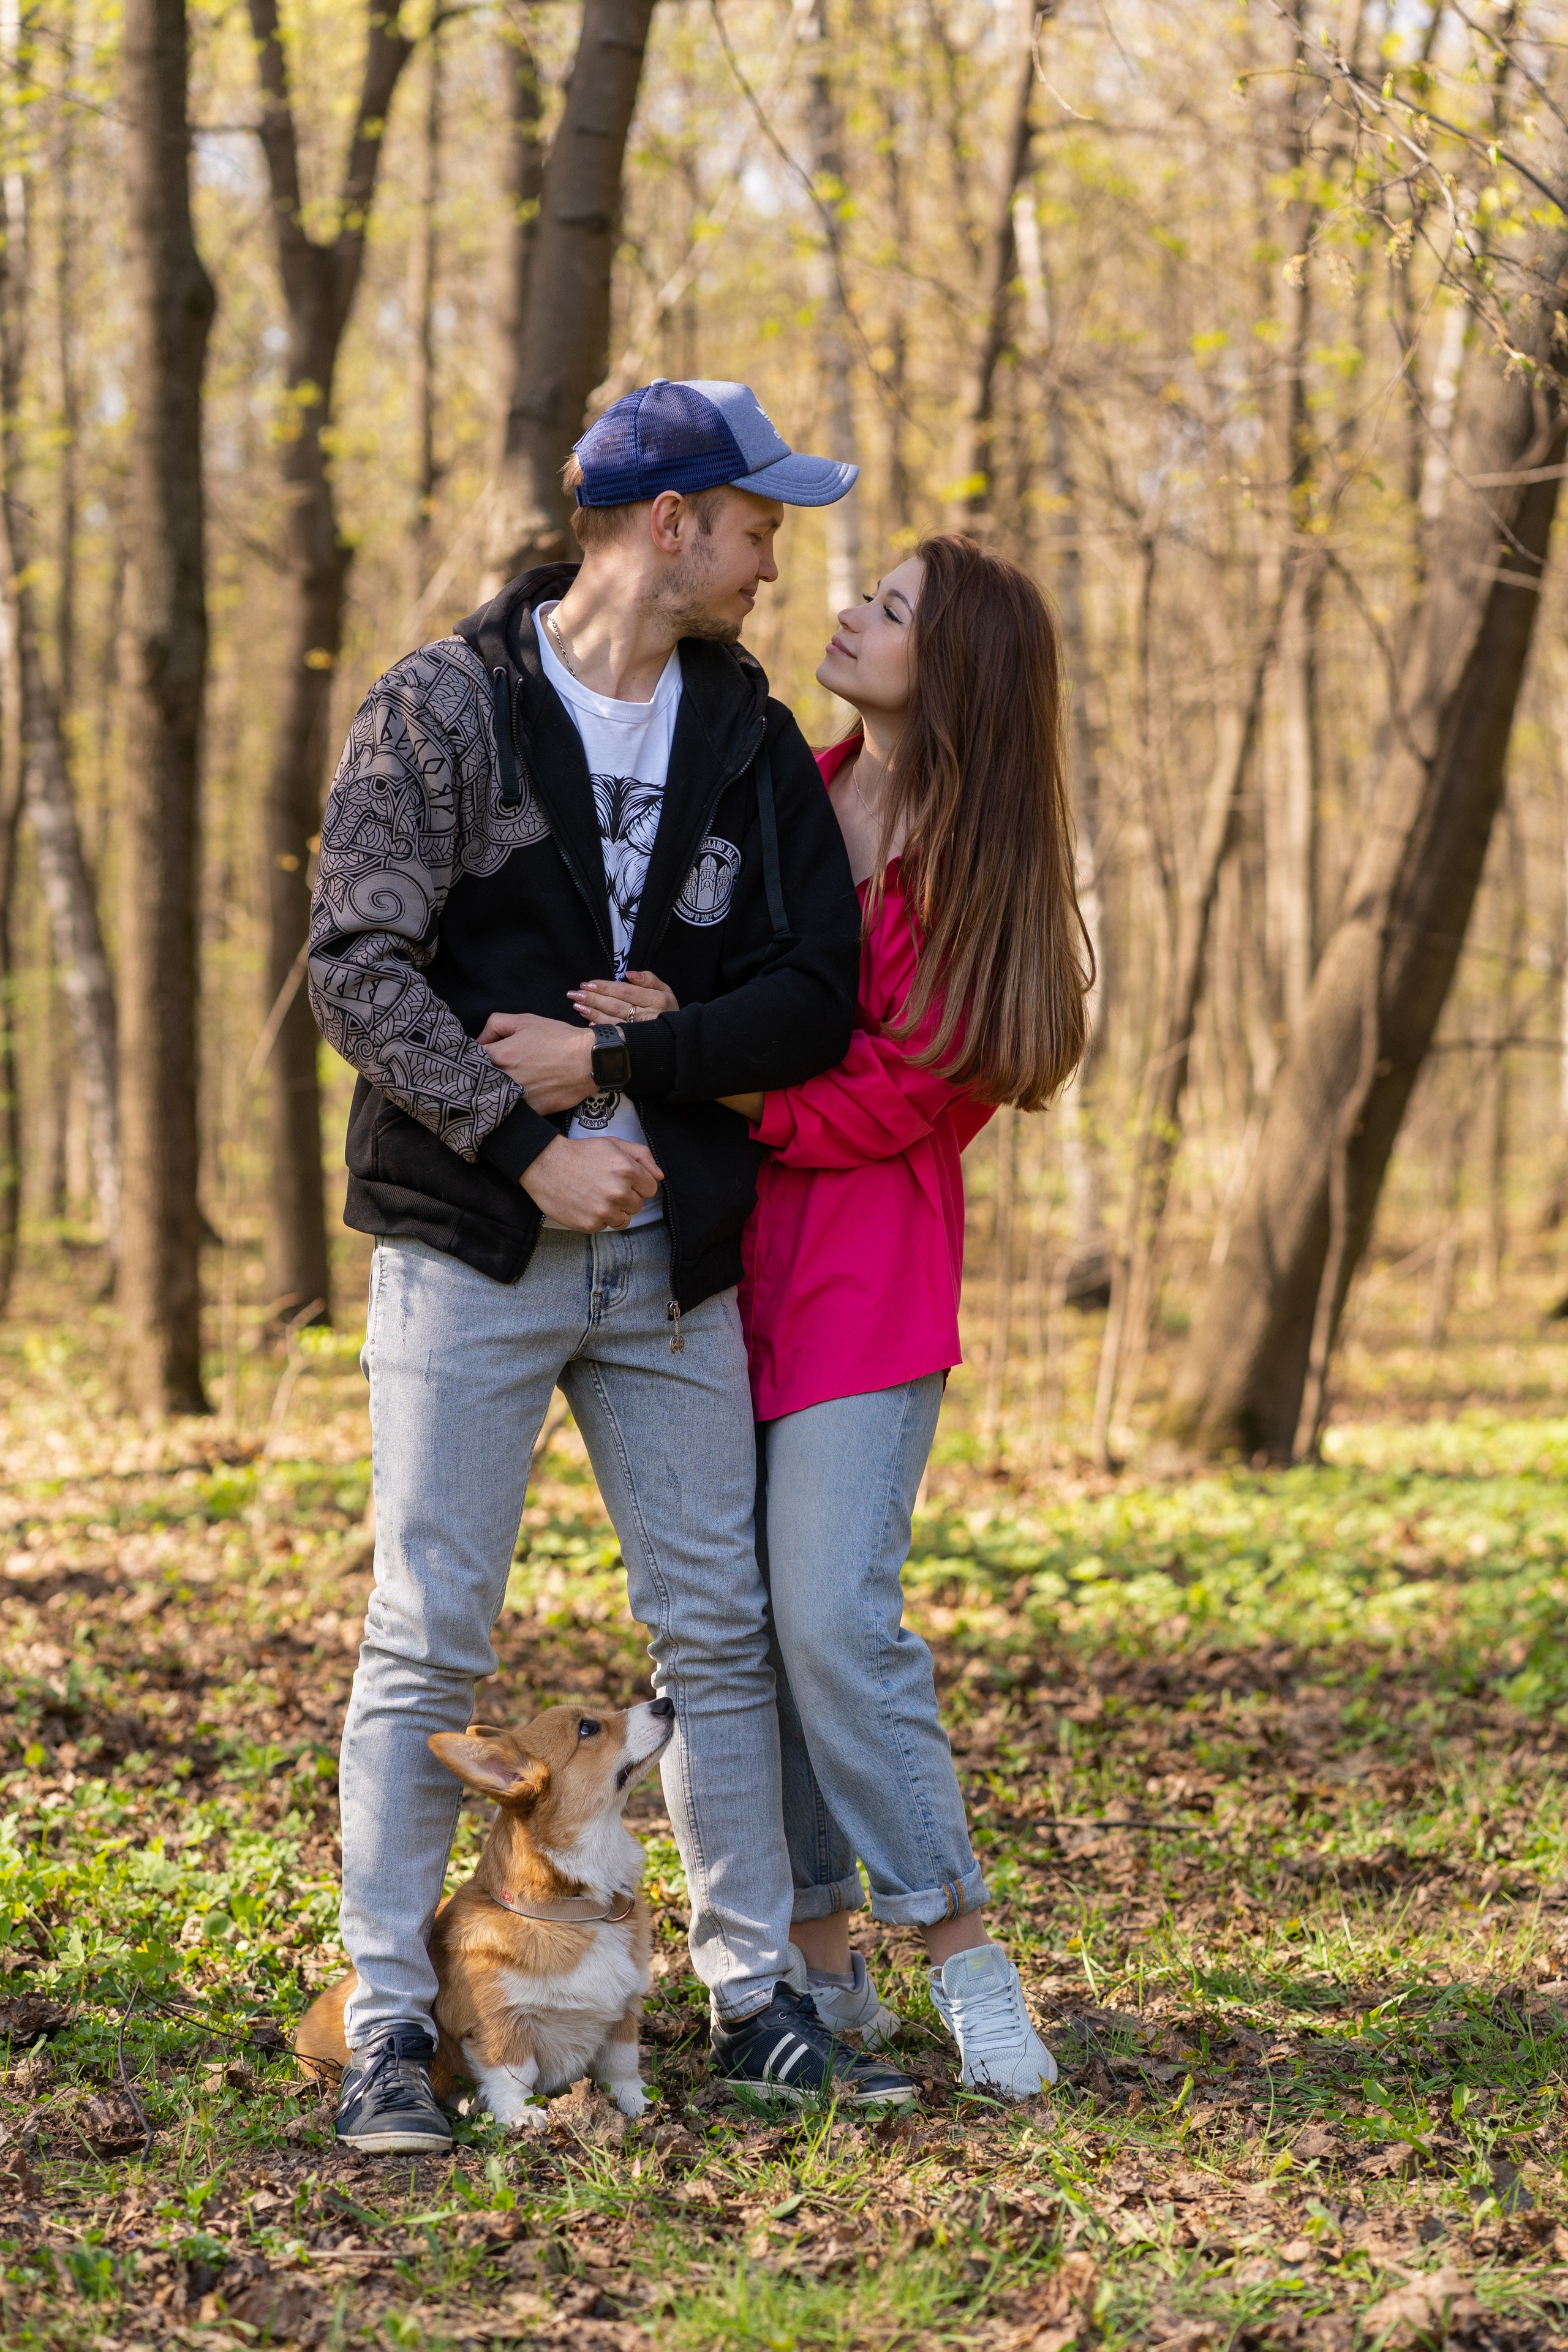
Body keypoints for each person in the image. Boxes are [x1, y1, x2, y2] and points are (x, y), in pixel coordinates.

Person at [307, 377, 919, 2153]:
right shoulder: (443, 709)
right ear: (671, 525)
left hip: (676, 1266)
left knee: (718, 1635)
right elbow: (359, 966)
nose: (772, 567)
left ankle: (755, 2002)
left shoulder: (744, 729)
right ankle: (392, 2027)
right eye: (757, 530)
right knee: (425, 1635)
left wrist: (632, 1070)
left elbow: (819, 997)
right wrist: (525, 1145)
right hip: (472, 1244)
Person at [571, 533, 1092, 2100]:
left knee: (830, 1623)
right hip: (716, 1259)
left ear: (962, 670)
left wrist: (709, 1066)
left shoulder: (980, 872)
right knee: (736, 1635)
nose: (850, 614)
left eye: (890, 609)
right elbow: (699, 967)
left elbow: (896, 1098)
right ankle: (812, 1958)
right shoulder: (787, 781)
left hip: (865, 1281)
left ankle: (960, 1951)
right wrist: (679, 1027)